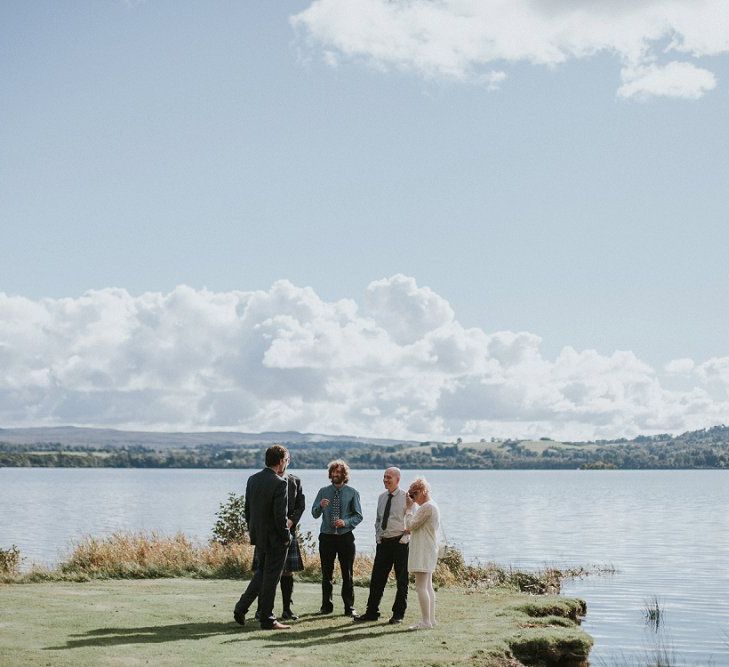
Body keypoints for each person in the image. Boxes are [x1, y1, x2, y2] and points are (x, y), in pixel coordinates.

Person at [233, 444, 292, 630]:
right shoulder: (279, 482)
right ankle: (267, 619)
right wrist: (286, 536)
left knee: (261, 574)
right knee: (271, 579)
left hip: (259, 536)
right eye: (286, 460)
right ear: (281, 461)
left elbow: (247, 511)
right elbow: (279, 516)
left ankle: (241, 607)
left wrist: (254, 532)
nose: (286, 463)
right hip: (275, 539)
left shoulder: (253, 479)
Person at [252, 457, 306, 621]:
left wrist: (291, 521)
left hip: (287, 531)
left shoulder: (295, 480)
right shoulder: (265, 480)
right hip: (267, 533)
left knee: (287, 572)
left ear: (288, 461)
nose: (285, 463)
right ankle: (262, 610)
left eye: (287, 460)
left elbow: (300, 505)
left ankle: (287, 610)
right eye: (283, 459)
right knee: (263, 571)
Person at [353, 467, 409, 624]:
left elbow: (411, 520)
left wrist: (404, 539)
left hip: (400, 544)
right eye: (384, 477)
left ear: (397, 479)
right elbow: (378, 520)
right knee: (377, 579)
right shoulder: (381, 497)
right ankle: (371, 612)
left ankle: (398, 614)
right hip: (383, 544)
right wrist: (378, 537)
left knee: (402, 580)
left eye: (388, 477)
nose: (385, 480)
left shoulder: (406, 497)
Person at [311, 459, 363, 616]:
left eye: (339, 472)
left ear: (344, 475)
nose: (335, 474)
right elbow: (314, 513)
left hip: (345, 538)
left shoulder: (353, 493)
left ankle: (349, 608)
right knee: (326, 573)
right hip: (326, 537)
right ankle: (326, 607)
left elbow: (359, 516)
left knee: (347, 573)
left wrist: (345, 522)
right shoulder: (323, 491)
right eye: (333, 472)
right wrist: (320, 506)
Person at [404, 476, 440, 630]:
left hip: (423, 550)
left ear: (423, 491)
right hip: (428, 548)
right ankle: (430, 620)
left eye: (414, 494)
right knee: (428, 586)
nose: (412, 498)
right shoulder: (431, 506)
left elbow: (410, 525)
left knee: (421, 587)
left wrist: (408, 509)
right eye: (410, 495)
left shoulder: (426, 507)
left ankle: (426, 621)